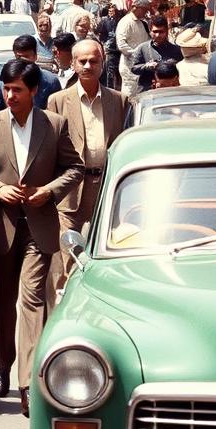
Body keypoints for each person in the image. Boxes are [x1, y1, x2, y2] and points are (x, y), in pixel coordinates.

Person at [0, 58, 83, 417]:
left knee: (32, 299)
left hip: (39, 226)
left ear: (34, 91)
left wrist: (48, 191)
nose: (9, 96)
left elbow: (75, 167)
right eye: (5, 89)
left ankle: (29, 383)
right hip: (1, 227)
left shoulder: (54, 124)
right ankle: (3, 363)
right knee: (3, 301)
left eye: (17, 90)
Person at [45, 39, 125, 300]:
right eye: (83, 61)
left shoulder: (119, 101)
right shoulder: (57, 101)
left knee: (108, 251)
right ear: (73, 64)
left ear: (102, 63)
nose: (88, 65)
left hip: (107, 187)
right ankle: (65, 307)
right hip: (71, 191)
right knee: (66, 258)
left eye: (94, 60)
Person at [0, 35, 60, 114]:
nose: (23, 62)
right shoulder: (4, 81)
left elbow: (58, 113)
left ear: (35, 56)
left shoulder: (50, 82)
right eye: (19, 58)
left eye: (26, 57)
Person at [129, 17, 184, 93]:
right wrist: (146, 66)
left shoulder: (176, 50)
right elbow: (133, 68)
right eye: (155, 32)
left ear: (167, 32)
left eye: (161, 32)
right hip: (147, 90)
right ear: (150, 31)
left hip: (170, 91)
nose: (158, 35)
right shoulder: (142, 48)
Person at [116, 0, 151, 97]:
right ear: (135, 7)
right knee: (129, 96)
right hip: (130, 67)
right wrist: (136, 54)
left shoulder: (141, 23)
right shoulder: (126, 22)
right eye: (144, 10)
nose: (145, 13)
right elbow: (121, 45)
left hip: (140, 66)